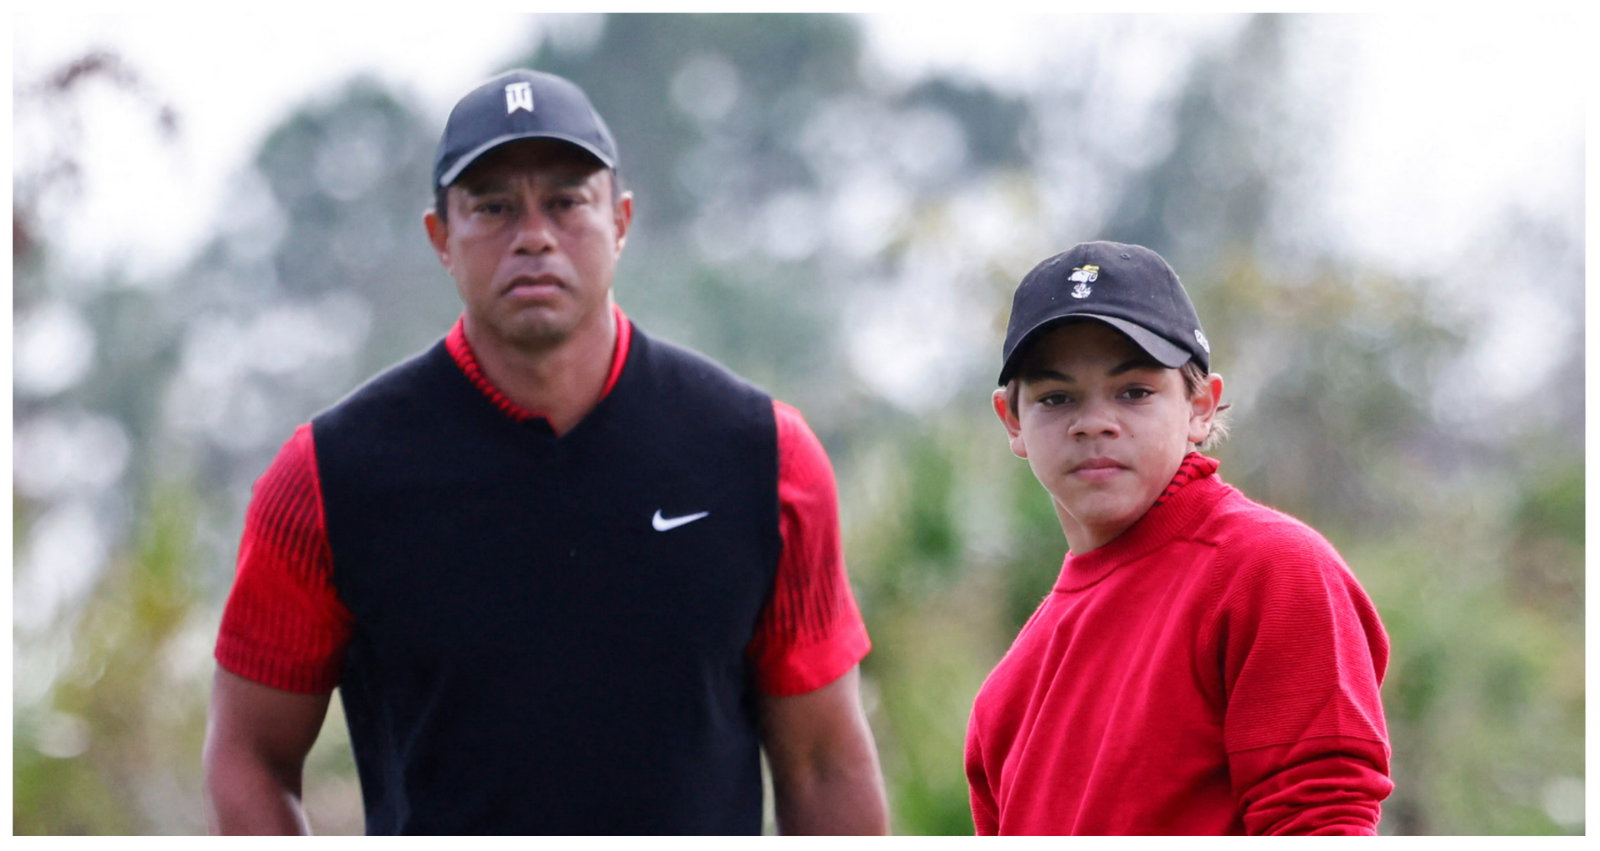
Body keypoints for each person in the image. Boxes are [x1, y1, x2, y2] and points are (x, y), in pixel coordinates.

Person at [203, 69, 888, 836]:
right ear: (441, 237)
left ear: (620, 220)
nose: (533, 235)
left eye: (565, 201)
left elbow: (823, 762)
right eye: (493, 207)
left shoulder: (763, 459)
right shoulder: (329, 478)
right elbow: (249, 754)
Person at [964, 241, 1392, 835]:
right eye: (1056, 398)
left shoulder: (1270, 571)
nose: (1095, 423)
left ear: (1199, 406)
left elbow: (1322, 822)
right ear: (1013, 421)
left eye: (1134, 392)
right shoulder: (1008, 693)